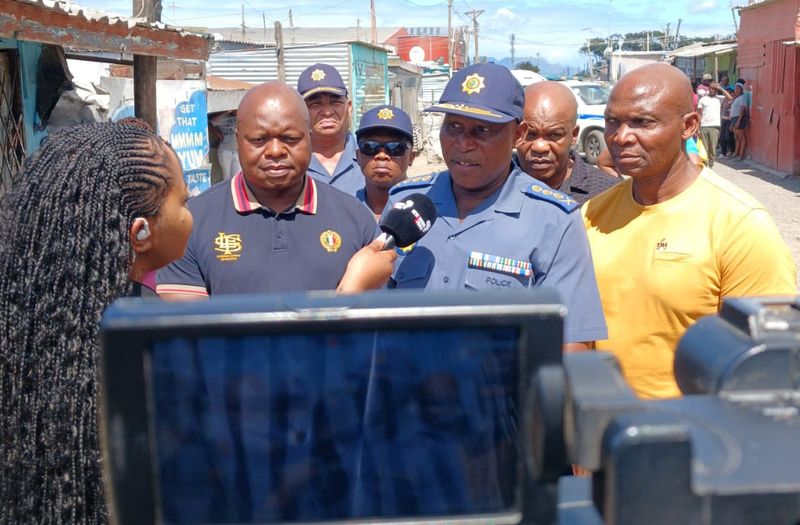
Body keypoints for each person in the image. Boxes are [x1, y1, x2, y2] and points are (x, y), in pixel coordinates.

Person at [0, 120, 193, 522]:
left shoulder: (20, 316)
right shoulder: (146, 330)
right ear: (140, 233)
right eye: (184, 203)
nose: (190, 214)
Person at [583, 63, 797, 399]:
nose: (621, 136)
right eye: (613, 121)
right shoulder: (592, 214)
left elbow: (766, 364)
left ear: (689, 126)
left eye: (642, 122)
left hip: (697, 438)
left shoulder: (739, 224)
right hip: (603, 429)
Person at [386, 63, 608, 350]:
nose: (464, 143)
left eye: (482, 130)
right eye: (453, 126)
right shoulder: (407, 203)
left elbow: (571, 346)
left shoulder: (554, 221)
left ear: (518, 134)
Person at [157, 82, 395, 299]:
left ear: (310, 139)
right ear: (239, 140)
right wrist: (345, 298)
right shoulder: (191, 221)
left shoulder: (355, 218)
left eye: (289, 139)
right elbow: (190, 334)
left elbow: (373, 332)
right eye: (259, 140)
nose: (275, 151)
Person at [516, 81, 620, 204]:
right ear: (516, 134)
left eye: (554, 135)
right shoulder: (493, 187)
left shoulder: (609, 195)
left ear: (574, 135)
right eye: (530, 135)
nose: (540, 147)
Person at [296, 63, 364, 195]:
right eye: (315, 104)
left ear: (349, 108)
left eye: (335, 102)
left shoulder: (370, 156)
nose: (327, 112)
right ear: (300, 111)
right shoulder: (290, 162)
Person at [354, 104, 416, 217]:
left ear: (411, 157)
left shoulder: (426, 213)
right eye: (370, 146)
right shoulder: (345, 209)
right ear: (358, 156)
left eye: (395, 147)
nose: (382, 155)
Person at [696, 82, 732, 167]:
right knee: (704, 148)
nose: (713, 90)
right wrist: (697, 127)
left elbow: (730, 98)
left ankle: (710, 165)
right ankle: (704, 165)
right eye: (712, 88)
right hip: (704, 127)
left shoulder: (719, 98)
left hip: (714, 127)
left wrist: (720, 88)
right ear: (708, 89)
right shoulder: (702, 100)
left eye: (715, 89)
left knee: (713, 148)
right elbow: (699, 114)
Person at [209, 110, 242, 180]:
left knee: (237, 177)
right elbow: (210, 123)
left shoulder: (240, 116)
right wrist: (218, 134)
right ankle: (227, 191)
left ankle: (233, 191)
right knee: (226, 177)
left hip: (237, 151)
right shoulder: (222, 118)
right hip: (225, 151)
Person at [730, 83, 749, 161]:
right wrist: (732, 123)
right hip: (734, 119)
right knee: (736, 137)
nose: (736, 90)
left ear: (742, 89)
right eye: (735, 89)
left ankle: (740, 156)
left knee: (742, 137)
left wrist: (739, 121)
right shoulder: (737, 98)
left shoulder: (742, 97)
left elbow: (742, 109)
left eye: (738, 88)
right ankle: (736, 154)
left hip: (738, 118)